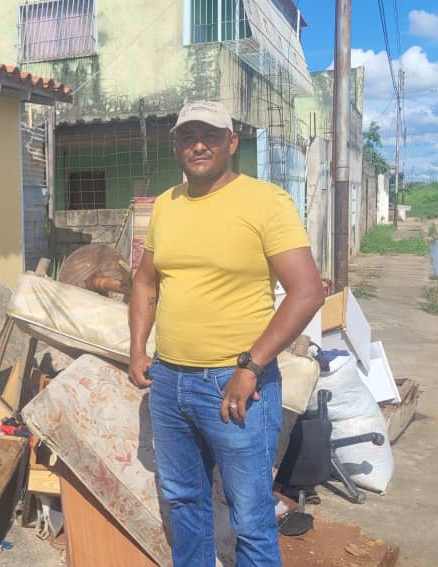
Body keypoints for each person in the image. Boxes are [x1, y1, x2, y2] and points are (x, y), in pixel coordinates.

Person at [128, 100, 324, 567]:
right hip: (169, 382)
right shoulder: (165, 206)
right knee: (183, 501)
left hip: (233, 385)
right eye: (188, 136)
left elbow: (307, 291)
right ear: (174, 143)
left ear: (231, 142)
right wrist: (137, 347)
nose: (199, 145)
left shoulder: (265, 201)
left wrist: (251, 365)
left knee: (251, 515)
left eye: (210, 135)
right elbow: (145, 281)